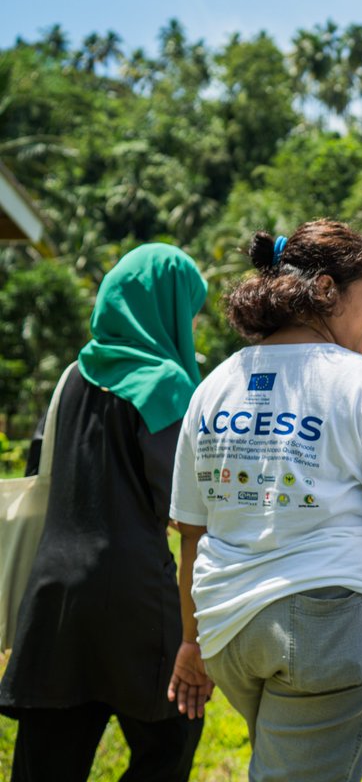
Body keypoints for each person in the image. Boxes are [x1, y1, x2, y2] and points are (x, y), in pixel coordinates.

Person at [166, 219, 362, 781]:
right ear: (326, 291)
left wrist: (191, 641)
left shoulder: (214, 385)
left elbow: (193, 537)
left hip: (228, 630)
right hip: (326, 629)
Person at [0, 244, 208, 781]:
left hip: (53, 592)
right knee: (173, 733)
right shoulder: (165, 383)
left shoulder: (73, 375)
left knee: (47, 757)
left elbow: (44, 465)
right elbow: (183, 503)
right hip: (135, 591)